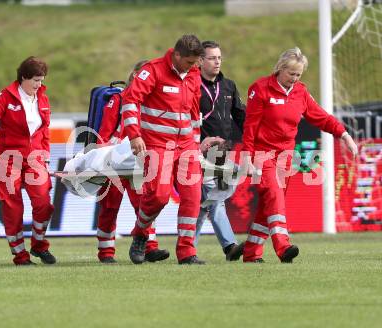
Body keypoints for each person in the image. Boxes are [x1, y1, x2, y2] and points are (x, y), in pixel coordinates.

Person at [241, 47, 358, 263]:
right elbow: (250, 126)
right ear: (280, 69)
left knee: (269, 206)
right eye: (291, 74)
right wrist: (247, 157)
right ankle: (283, 246)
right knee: (274, 197)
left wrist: (344, 135)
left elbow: (321, 117)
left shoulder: (301, 92)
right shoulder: (260, 88)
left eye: (298, 75)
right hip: (262, 155)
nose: (294, 79)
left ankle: (251, 252)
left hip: (285, 158)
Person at [121, 34, 205, 265]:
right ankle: (140, 232)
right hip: (158, 144)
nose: (194, 66)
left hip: (187, 145)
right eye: (189, 62)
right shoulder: (153, 70)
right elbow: (130, 100)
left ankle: (187, 252)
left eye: (196, 62)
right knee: (158, 196)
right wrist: (134, 134)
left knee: (193, 197)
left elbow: (194, 111)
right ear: (177, 55)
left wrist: (196, 143)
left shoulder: (194, 74)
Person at [0, 56, 56, 266]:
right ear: (23, 77)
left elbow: (44, 131)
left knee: (44, 203)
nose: (39, 84)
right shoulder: (6, 97)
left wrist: (45, 156)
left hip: (35, 160)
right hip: (8, 160)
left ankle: (39, 245)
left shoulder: (42, 98)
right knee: (12, 207)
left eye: (41, 80)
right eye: (35, 80)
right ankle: (20, 255)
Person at [95, 60, 170, 264]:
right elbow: (104, 132)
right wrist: (103, 157)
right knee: (110, 206)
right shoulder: (119, 99)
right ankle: (106, 252)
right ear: (135, 75)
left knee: (144, 204)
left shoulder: (153, 103)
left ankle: (149, 247)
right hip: (114, 160)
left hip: (138, 160)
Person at [195, 40, 246, 261]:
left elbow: (241, 116)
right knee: (213, 200)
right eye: (212, 58)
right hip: (198, 153)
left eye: (219, 57)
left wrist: (253, 140)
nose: (217, 62)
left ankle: (187, 247)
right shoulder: (191, 85)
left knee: (205, 203)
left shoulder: (229, 86)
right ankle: (229, 246)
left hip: (223, 154)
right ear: (200, 61)